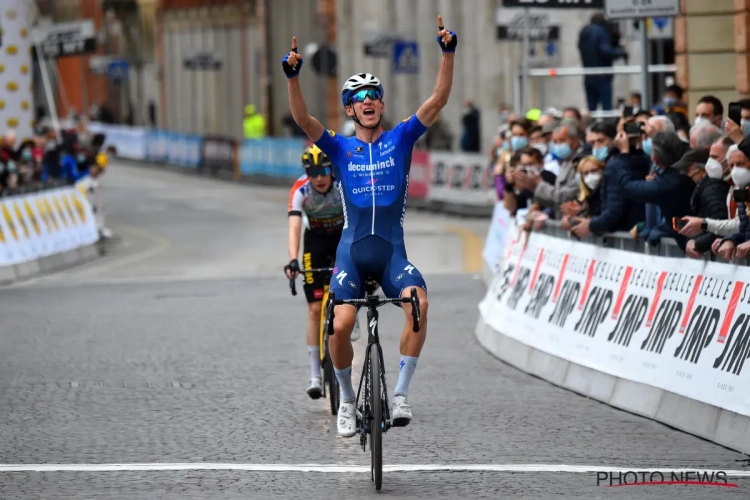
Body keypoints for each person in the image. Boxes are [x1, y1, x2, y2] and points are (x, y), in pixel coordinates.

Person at [281, 15, 455, 437]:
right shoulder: (340, 148)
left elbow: (437, 99)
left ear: (381, 103)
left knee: (421, 304)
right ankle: (343, 399)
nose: (369, 100)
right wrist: (292, 78)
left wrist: (448, 53)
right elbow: (304, 120)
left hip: (393, 254)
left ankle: (400, 395)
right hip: (352, 255)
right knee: (340, 325)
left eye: (374, 94)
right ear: (350, 108)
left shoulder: (401, 139)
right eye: (359, 96)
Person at [284, 145, 362, 400]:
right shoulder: (301, 190)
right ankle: (315, 375)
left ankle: (352, 310)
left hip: (343, 238)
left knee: (357, 276)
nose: (319, 177)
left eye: (324, 171)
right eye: (313, 172)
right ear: (307, 173)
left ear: (332, 169)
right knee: (315, 309)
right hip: (315, 241)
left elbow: (361, 220)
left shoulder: (343, 183)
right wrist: (293, 260)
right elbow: (295, 226)